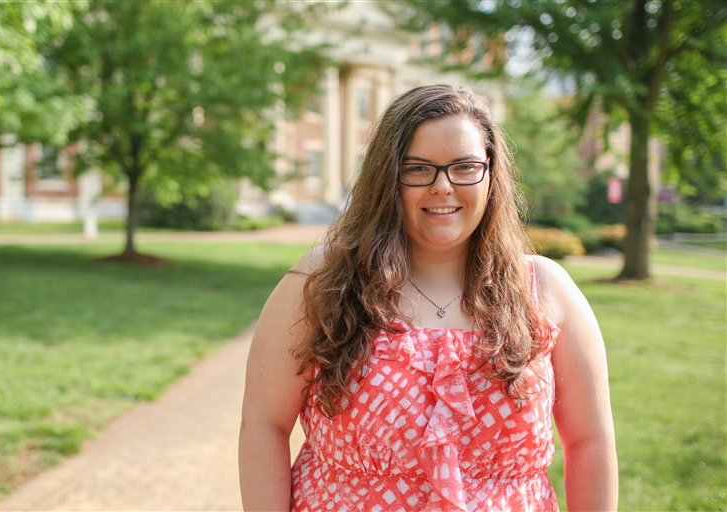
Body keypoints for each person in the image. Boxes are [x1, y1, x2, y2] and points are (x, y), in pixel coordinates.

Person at [239, 84, 617, 511]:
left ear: (490, 174)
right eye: (418, 168)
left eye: (464, 166)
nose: (443, 186)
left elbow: (590, 442)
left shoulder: (544, 289)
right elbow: (264, 426)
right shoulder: (324, 280)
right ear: (387, 176)